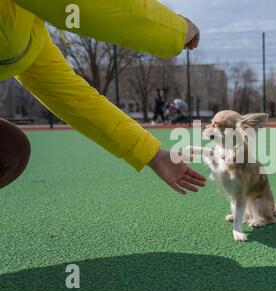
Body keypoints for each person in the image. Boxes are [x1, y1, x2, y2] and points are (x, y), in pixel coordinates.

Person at [0, 0, 206, 194]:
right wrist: (176, 30)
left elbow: (75, 98)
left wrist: (152, 154)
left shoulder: (26, 27)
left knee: (10, 150)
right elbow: (91, 6)